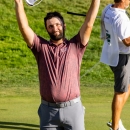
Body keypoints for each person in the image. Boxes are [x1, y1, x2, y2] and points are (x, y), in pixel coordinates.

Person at [14, 0, 100, 129]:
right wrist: (19, 3)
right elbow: (24, 27)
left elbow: (88, 23)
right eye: (50, 26)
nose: (55, 28)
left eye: (58, 24)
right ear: (46, 29)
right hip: (48, 112)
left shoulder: (76, 45)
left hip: (73, 109)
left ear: (64, 26)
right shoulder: (40, 47)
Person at [100, 0, 130, 130]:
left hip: (112, 52)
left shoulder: (107, 9)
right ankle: (115, 126)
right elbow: (127, 41)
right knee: (120, 91)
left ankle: (115, 119)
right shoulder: (121, 18)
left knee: (127, 86)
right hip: (121, 57)